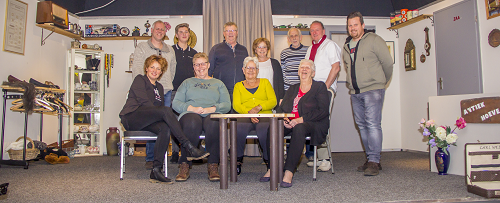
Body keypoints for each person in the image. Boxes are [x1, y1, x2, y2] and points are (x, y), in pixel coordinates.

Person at [120, 55, 209, 184]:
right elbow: (145, 103)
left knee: (165, 128)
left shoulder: (160, 87)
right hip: (131, 117)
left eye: (158, 69)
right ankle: (188, 145)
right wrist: (160, 114)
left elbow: (157, 110)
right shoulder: (140, 80)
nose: (155, 71)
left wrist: (161, 116)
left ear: (161, 72)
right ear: (146, 68)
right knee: (166, 110)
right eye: (152, 67)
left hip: (147, 120)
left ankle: (156, 170)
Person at [260, 59, 330, 188]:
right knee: (273, 127)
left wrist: (301, 119)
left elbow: (323, 111)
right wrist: (285, 118)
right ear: (298, 72)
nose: (304, 69)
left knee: (299, 129)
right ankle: (273, 167)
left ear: (313, 73)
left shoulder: (319, 87)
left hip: (313, 123)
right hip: (291, 121)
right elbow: (281, 108)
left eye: (307, 68)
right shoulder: (293, 88)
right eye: (302, 67)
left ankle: (289, 171)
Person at [343, 12, 393, 176]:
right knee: (362, 126)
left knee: (372, 124)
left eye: (355, 24)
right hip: (355, 92)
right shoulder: (347, 45)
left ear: (362, 25)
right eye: (350, 25)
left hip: (373, 89)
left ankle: (374, 161)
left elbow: (387, 63)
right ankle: (371, 158)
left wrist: (380, 83)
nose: (352, 28)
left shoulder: (374, 40)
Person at [172, 52, 231, 182]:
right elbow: (176, 103)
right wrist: (191, 108)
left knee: (214, 122)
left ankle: (213, 165)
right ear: (193, 67)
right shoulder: (187, 82)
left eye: (203, 63)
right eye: (197, 64)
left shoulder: (218, 83)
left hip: (212, 113)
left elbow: (227, 104)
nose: (200, 67)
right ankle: (184, 164)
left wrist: (213, 109)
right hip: (190, 113)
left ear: (208, 65)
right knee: (192, 122)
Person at [131, 20, 177, 169]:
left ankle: (161, 158)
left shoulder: (170, 49)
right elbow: (137, 69)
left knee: (165, 125)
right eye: (157, 29)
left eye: (162, 29)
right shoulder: (142, 47)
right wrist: (142, 89)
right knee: (151, 124)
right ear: (152, 30)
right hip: (148, 92)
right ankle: (150, 158)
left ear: (165, 32)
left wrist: (166, 83)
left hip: (166, 92)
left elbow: (172, 70)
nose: (159, 31)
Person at [304, 20, 342, 172]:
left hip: (325, 90)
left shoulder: (330, 45)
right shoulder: (310, 49)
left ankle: (326, 159)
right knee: (314, 121)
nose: (314, 32)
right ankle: (319, 158)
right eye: (312, 30)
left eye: (317, 30)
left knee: (322, 120)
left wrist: (324, 88)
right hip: (312, 92)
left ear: (323, 31)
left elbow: (336, 67)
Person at [233, 57, 277, 176]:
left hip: (264, 115)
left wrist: (259, 107)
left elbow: (273, 101)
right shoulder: (238, 86)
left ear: (258, 70)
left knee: (264, 131)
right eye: (248, 68)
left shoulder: (265, 82)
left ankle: (269, 162)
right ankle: (237, 161)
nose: (251, 70)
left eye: (253, 68)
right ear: (243, 70)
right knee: (238, 129)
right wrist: (249, 113)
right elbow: (236, 105)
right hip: (245, 116)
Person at [279, 27, 314, 163]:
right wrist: (283, 95)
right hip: (290, 91)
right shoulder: (284, 53)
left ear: (300, 37)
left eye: (296, 35)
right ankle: (290, 153)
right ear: (288, 39)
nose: (294, 38)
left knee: (306, 119)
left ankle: (310, 152)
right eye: (291, 36)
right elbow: (282, 74)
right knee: (289, 120)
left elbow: (310, 69)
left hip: (306, 91)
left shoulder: (308, 50)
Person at [170, 23, 198, 163]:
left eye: (186, 32)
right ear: (176, 35)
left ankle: (189, 150)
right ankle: (175, 151)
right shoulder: (170, 51)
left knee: (189, 122)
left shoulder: (194, 54)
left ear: (189, 34)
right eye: (181, 32)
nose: (184, 34)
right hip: (174, 92)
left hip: (190, 93)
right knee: (175, 123)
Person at [208, 22, 249, 96]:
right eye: (227, 31)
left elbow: (247, 70)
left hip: (240, 90)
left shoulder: (243, 50)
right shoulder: (216, 49)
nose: (230, 33)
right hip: (221, 90)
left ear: (237, 33)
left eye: (233, 30)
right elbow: (209, 70)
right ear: (224, 33)